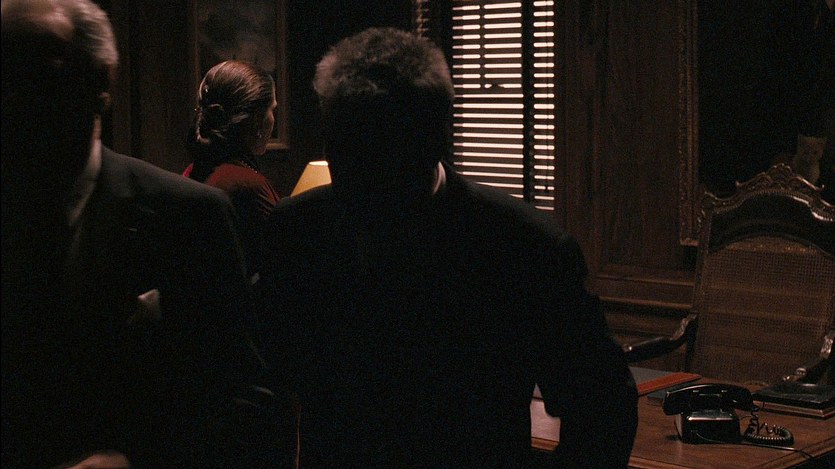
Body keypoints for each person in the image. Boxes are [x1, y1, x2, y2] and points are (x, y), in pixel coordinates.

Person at [258, 27, 638, 468]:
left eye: (380, 155)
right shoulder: (297, 230)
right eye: (344, 149)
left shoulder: (522, 247)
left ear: (435, 139)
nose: (361, 184)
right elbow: (264, 380)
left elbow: (602, 404)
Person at [1, 1, 295, 467]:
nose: (15, 98)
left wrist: (138, 460)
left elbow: (242, 399)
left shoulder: (189, 215)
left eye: (39, 75)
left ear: (102, 81)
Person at [184, 60, 281, 279]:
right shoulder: (246, 184)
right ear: (257, 120)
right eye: (272, 109)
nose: (273, 119)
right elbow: (285, 256)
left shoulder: (195, 169)